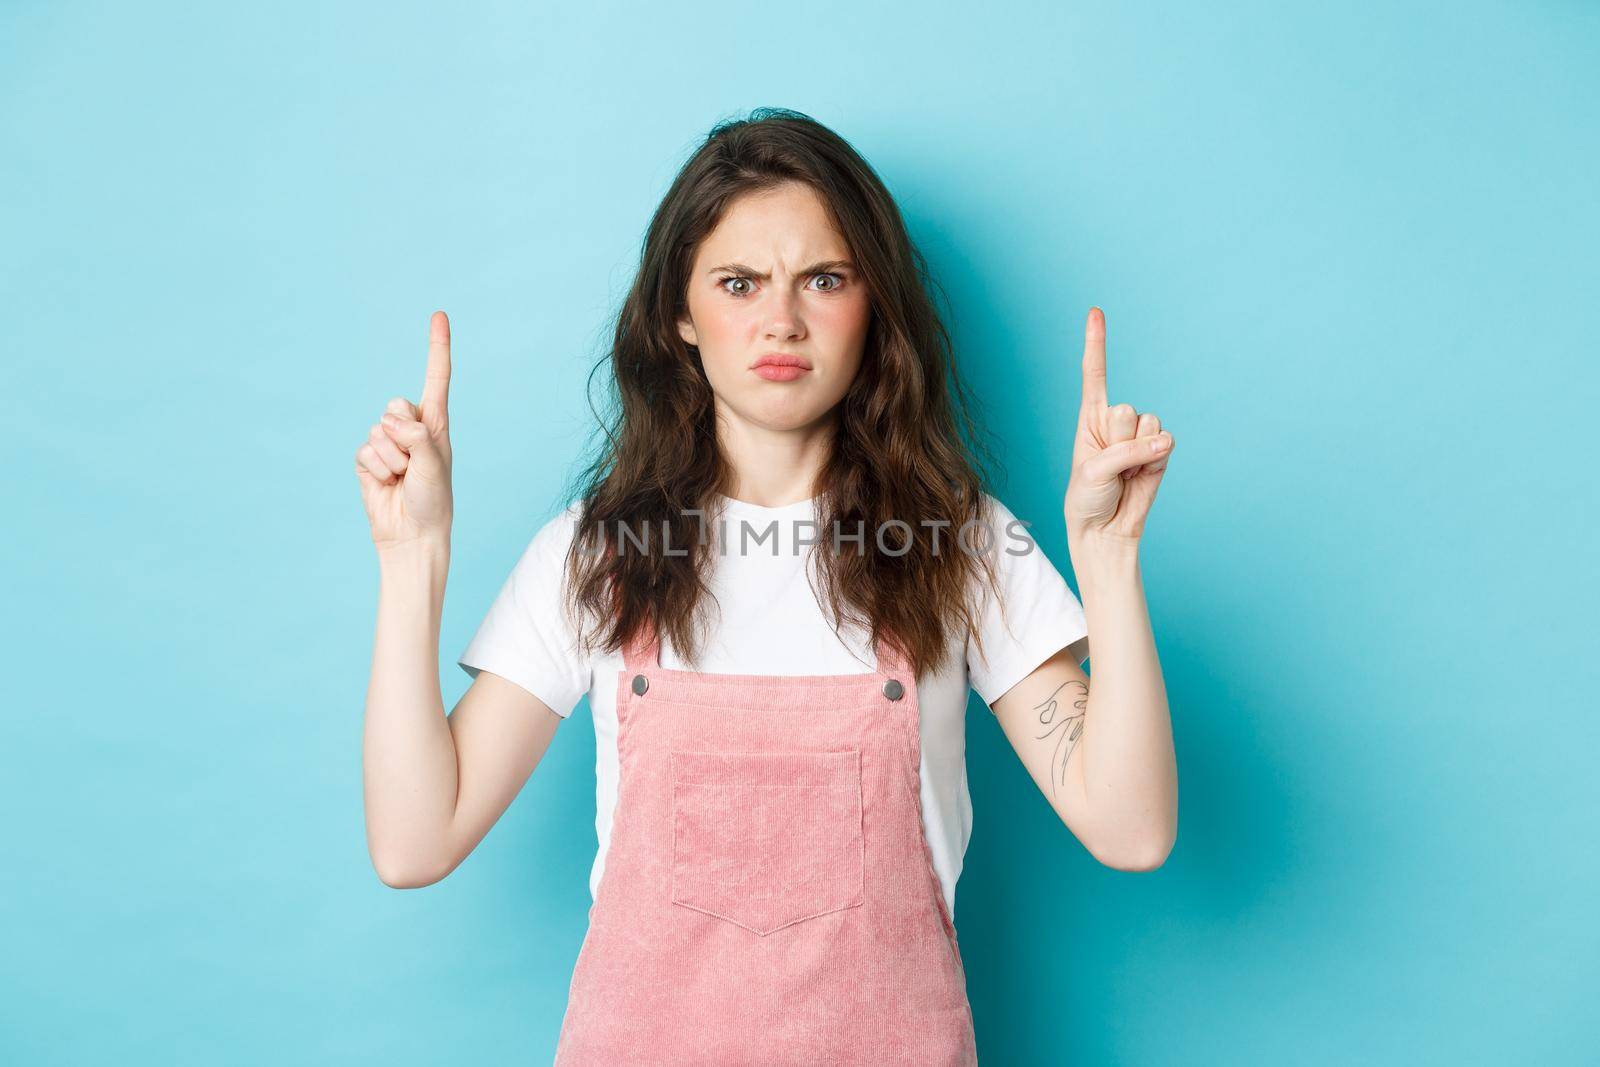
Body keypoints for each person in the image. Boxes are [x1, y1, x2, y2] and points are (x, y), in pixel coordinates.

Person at [355, 107, 1178, 1066]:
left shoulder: (965, 544)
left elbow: (1132, 827)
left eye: (823, 279)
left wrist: (1108, 561)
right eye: (738, 283)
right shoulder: (597, 555)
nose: (780, 320)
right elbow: (415, 843)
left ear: (875, 307)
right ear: (680, 314)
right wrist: (412, 562)